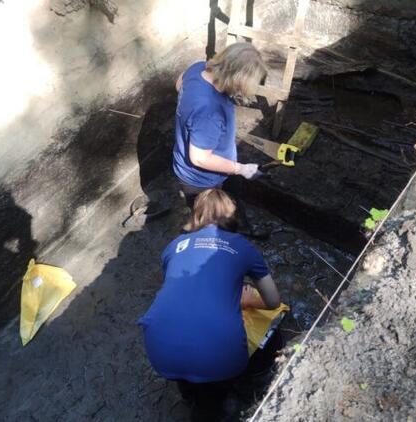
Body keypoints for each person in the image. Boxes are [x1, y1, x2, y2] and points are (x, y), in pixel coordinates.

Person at [138, 189, 280, 421]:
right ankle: (213, 407)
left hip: (159, 348)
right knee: (212, 396)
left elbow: (179, 290)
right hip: (218, 356)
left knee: (187, 375)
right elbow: (273, 301)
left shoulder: (174, 245)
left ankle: (188, 394)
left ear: (196, 215)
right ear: (232, 216)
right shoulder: (243, 246)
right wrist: (245, 299)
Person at [172, 42, 267, 210]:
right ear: (236, 80)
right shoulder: (209, 111)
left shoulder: (198, 68)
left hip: (185, 163)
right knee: (210, 219)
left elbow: (179, 84)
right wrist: (240, 169)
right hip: (202, 181)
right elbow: (200, 158)